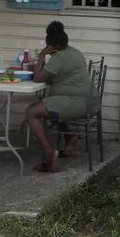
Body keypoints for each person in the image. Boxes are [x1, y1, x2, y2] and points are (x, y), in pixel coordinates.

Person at [23, 21, 92, 173]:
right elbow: (55, 76)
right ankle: (70, 137)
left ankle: (49, 153)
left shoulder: (59, 58)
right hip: (86, 100)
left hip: (78, 102)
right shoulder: (74, 52)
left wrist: (41, 55)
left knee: (32, 112)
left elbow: (38, 77)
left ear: (54, 46)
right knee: (48, 105)